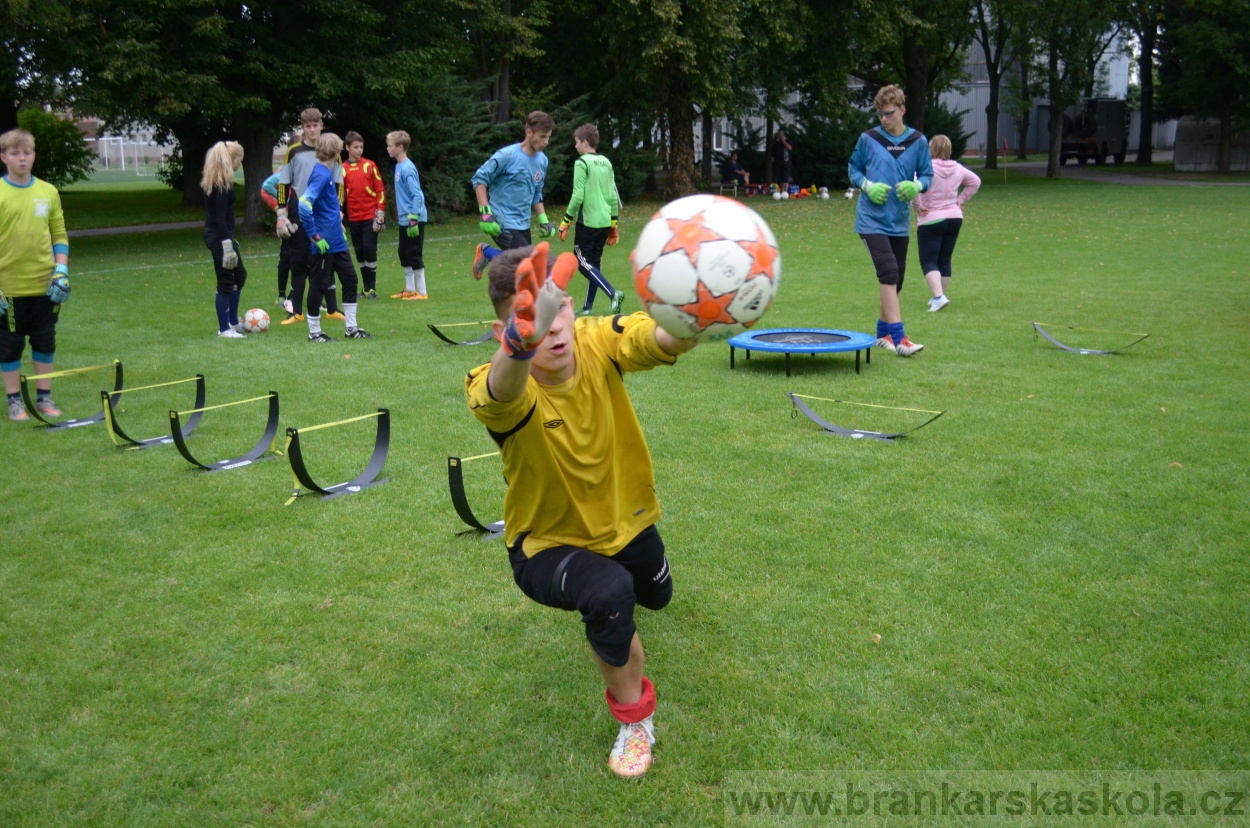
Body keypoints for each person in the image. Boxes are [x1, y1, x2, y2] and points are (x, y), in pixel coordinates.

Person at [464, 242, 698, 778]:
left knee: (655, 597)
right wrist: (521, 340)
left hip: (627, 520)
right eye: (536, 320)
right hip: (547, 545)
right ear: (507, 330)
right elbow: (500, 391)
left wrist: (694, 318)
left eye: (560, 308)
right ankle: (635, 721)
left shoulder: (595, 338)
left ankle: (626, 598)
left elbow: (654, 337)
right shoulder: (499, 381)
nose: (556, 328)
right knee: (609, 596)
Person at [847, 84, 933, 357]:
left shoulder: (918, 141)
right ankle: (899, 338)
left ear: (902, 110)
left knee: (898, 281)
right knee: (888, 272)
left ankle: (881, 333)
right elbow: (853, 169)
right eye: (880, 114)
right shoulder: (868, 138)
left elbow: (928, 176)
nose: (884, 119)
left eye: (889, 113)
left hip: (898, 221)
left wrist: (917, 186)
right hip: (870, 219)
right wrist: (867, 185)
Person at [0, 128, 70, 421]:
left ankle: (44, 398)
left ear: (34, 156)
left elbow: (59, 234)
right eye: (15, 153)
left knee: (44, 340)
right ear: (4, 157)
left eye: (27, 153)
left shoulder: (48, 191)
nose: (22, 158)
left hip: (45, 285)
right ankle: (14, 400)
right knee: (11, 344)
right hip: (9, 289)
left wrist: (62, 269)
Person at [297, 132, 372, 342]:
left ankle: (351, 328)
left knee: (350, 279)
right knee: (319, 285)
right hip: (324, 243)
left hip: (336, 240)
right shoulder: (321, 174)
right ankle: (314, 333)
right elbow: (304, 204)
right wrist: (314, 235)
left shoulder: (326, 172)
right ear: (337, 151)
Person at [277, 109, 344, 325]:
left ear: (322, 125)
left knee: (328, 257)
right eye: (307, 126)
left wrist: (339, 212)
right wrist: (281, 211)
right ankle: (296, 311)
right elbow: (283, 183)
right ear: (302, 127)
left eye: (315, 125)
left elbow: (340, 184)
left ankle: (332, 309)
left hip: (325, 213)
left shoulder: (333, 150)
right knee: (298, 260)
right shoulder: (293, 151)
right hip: (299, 211)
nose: (312, 129)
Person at [557, 123, 624, 316]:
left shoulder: (582, 163)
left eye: (577, 142)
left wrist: (566, 221)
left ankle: (613, 293)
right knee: (594, 263)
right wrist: (614, 224)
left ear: (585, 142)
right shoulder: (606, 162)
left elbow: (578, 195)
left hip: (588, 222)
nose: (575, 146)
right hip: (604, 222)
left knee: (581, 261)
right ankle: (588, 306)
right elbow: (613, 196)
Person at [471, 111, 556, 257]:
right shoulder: (506, 156)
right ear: (529, 132)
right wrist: (485, 214)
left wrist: (544, 220)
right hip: (501, 221)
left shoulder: (542, 161)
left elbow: (536, 192)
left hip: (523, 223)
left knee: (519, 272)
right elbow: (479, 179)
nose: (546, 142)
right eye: (542, 136)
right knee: (528, 263)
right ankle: (488, 253)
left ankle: (486, 253)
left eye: (548, 137)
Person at [912, 134, 980, 312]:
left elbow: (916, 188)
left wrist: (918, 207)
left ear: (931, 149)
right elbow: (975, 182)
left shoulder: (926, 167)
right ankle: (939, 296)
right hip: (954, 218)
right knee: (944, 259)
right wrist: (961, 199)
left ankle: (938, 296)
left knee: (928, 261)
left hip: (932, 218)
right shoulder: (957, 168)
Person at [201, 141, 248, 338]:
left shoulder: (223, 181)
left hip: (225, 236)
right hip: (219, 237)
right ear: (231, 160)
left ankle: (233, 321)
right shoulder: (219, 184)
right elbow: (219, 218)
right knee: (226, 280)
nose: (240, 163)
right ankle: (224, 329)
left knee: (240, 275)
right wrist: (226, 245)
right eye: (239, 159)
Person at [341, 131, 387, 300]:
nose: (359, 150)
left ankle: (372, 288)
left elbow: (379, 189)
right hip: (354, 217)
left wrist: (380, 212)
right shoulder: (342, 169)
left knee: (369, 249)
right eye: (356, 147)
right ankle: (365, 288)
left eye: (361, 147)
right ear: (347, 147)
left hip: (370, 215)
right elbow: (340, 195)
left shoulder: (370, 165)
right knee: (359, 252)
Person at [384, 130, 428, 300]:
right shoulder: (398, 166)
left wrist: (413, 217)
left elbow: (418, 195)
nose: (387, 148)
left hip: (414, 219)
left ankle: (422, 292)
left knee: (413, 253)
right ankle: (410, 289)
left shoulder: (407, 169)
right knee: (403, 252)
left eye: (390, 146)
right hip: (404, 219)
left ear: (400, 147)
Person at [259, 169, 294, 314]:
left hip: (303, 216)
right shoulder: (286, 171)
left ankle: (293, 295)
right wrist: (286, 203)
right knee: (286, 258)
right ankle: (282, 295)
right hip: (288, 217)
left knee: (305, 259)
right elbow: (267, 186)